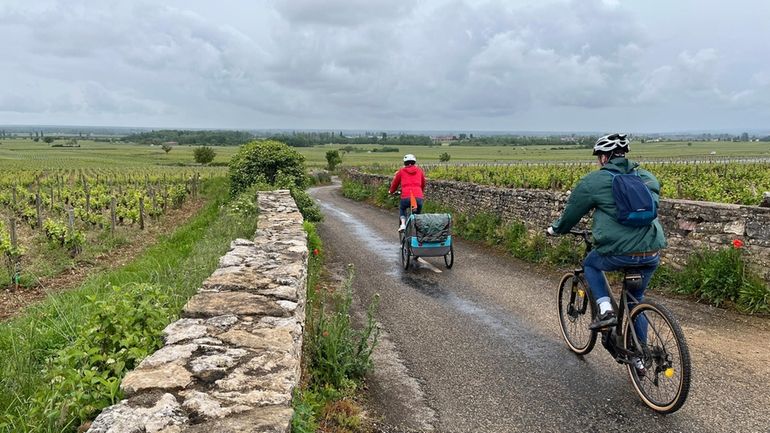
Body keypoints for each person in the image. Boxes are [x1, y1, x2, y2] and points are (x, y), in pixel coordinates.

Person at [546, 133, 666, 371]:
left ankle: (605, 308)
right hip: (651, 250)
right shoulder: (646, 177)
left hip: (619, 251)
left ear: (604, 157)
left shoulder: (594, 182)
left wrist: (555, 229)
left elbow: (572, 214)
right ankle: (640, 358)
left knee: (591, 264)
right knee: (635, 301)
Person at [389, 154, 426, 232]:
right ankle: (417, 227)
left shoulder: (401, 171)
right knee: (417, 213)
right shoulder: (419, 171)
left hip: (406, 196)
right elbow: (423, 184)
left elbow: (395, 183)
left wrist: (391, 191)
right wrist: (420, 193)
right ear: (414, 162)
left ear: (405, 163)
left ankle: (403, 224)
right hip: (418, 196)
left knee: (402, 208)